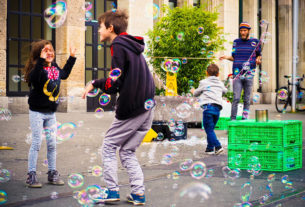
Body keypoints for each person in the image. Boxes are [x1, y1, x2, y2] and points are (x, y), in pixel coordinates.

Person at [82, 9, 155, 206]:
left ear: (110, 28)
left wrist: (95, 83)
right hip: (147, 107)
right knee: (127, 151)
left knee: (108, 146)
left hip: (132, 107)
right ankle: (138, 194)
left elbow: (114, 84)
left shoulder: (118, 45)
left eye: (100, 27)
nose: (98, 31)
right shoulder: (132, 46)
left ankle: (111, 191)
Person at [24, 40, 76, 188]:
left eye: (51, 50)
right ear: (39, 54)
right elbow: (35, 78)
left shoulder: (54, 67)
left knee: (52, 144)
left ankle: (52, 173)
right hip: (37, 112)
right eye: (45, 50)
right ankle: (31, 175)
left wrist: (71, 57)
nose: (49, 52)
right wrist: (41, 61)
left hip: (50, 112)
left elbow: (64, 74)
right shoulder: (37, 69)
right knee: (36, 143)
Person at [220, 22, 262, 120]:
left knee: (247, 99)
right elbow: (234, 57)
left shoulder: (255, 42)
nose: (242, 32)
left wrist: (258, 59)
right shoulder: (236, 42)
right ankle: (233, 120)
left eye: (244, 30)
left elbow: (259, 55)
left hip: (249, 73)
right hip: (237, 74)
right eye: (241, 30)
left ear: (248, 31)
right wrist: (226, 57)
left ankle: (244, 120)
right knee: (236, 98)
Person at [191, 64, 227, 155]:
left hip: (208, 108)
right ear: (218, 74)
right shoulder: (220, 83)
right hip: (217, 109)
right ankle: (210, 148)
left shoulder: (204, 82)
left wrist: (193, 91)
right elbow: (225, 91)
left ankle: (218, 146)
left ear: (206, 73)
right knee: (210, 128)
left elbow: (196, 93)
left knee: (209, 130)